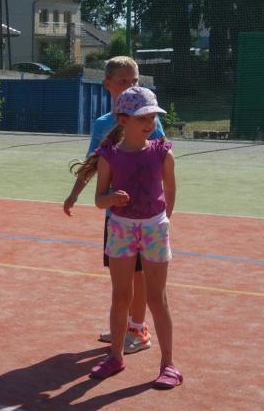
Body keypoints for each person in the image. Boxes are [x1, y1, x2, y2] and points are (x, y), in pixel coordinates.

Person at [64, 56, 165, 354]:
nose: (130, 86)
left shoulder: (150, 122)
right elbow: (92, 163)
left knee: (139, 275)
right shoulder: (102, 125)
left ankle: (138, 328)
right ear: (107, 85)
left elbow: (161, 158)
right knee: (122, 276)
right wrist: (74, 194)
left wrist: (157, 202)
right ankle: (124, 325)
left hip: (144, 217)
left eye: (135, 81)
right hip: (117, 216)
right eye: (123, 82)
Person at [87, 86, 180, 388]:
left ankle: (168, 364)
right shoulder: (109, 156)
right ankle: (116, 357)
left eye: (152, 116)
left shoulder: (162, 152)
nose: (150, 122)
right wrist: (111, 198)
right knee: (120, 296)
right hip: (120, 230)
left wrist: (163, 221)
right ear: (123, 120)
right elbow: (99, 200)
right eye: (143, 117)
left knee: (157, 298)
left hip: (154, 230)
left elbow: (170, 190)